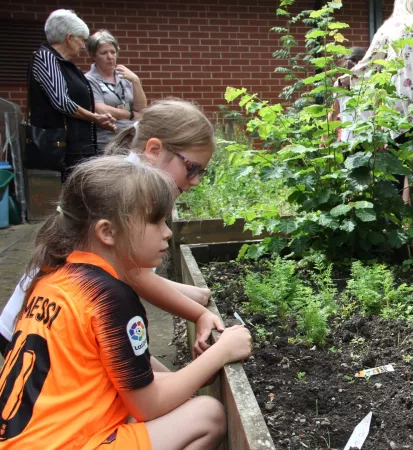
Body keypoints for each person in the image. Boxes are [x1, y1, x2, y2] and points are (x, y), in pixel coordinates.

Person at [0, 157, 252, 449]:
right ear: (107, 232)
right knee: (207, 415)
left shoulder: (53, 278)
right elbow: (148, 404)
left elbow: (126, 364)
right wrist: (221, 353)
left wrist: (179, 383)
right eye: (155, 221)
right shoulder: (109, 297)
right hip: (68, 443)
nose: (168, 232)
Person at [0, 99, 219, 359]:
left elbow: (131, 273)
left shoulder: (129, 178)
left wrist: (195, 293)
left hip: (39, 322)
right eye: (192, 168)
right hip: (38, 332)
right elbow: (137, 278)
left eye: (200, 173)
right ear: (154, 149)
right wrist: (200, 314)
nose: (194, 181)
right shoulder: (128, 193)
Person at [344, 0, 413, 221]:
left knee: (395, 166)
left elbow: (370, 63)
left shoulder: (389, 27)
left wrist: (345, 80)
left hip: (401, 104)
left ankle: (393, 224)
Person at [27, 9, 115, 181]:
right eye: (81, 39)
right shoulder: (45, 57)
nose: (83, 46)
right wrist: (95, 118)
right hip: (59, 151)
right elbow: (61, 102)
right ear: (69, 38)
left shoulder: (66, 65)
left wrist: (97, 119)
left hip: (76, 148)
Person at [84, 29, 147, 152]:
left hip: (132, 140)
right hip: (107, 142)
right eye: (104, 53)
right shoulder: (88, 79)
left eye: (113, 52)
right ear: (93, 55)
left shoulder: (124, 76)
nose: (110, 57)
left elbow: (141, 109)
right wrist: (131, 115)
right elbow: (100, 109)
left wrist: (136, 81)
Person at [330, 47, 366, 142]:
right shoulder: (371, 81)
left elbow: (333, 113)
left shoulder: (339, 84)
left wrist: (324, 138)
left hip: (347, 139)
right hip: (369, 139)